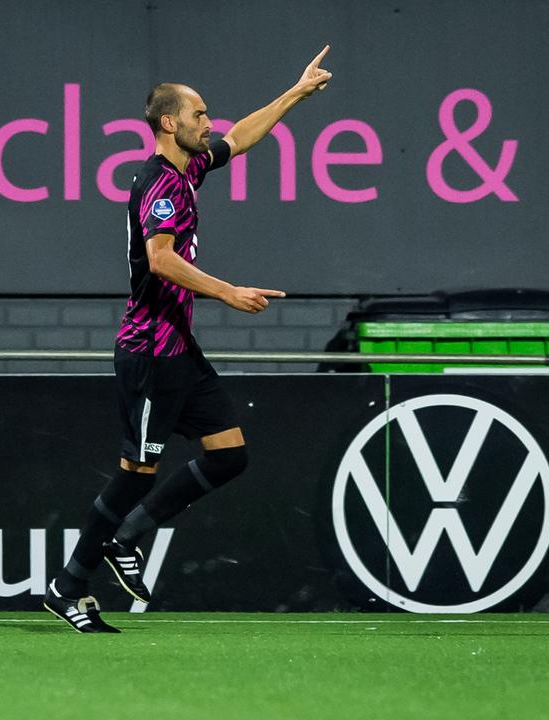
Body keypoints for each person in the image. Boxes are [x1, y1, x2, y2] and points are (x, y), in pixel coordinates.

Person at [43, 47, 333, 633]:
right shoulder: (160, 183)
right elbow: (160, 259)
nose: (210, 121)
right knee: (136, 472)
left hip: (178, 348)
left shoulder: (188, 169)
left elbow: (241, 138)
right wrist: (227, 292)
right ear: (169, 122)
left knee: (229, 454)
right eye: (199, 114)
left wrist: (296, 92)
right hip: (150, 352)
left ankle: (128, 535)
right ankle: (67, 587)